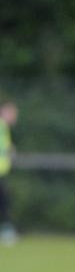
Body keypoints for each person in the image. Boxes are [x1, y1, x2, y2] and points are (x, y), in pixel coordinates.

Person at [0, 100, 18, 244]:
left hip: (2, 172)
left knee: (4, 201)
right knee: (4, 202)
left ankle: (6, 230)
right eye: (12, 113)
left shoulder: (4, 127)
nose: (14, 117)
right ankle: (6, 231)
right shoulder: (1, 126)